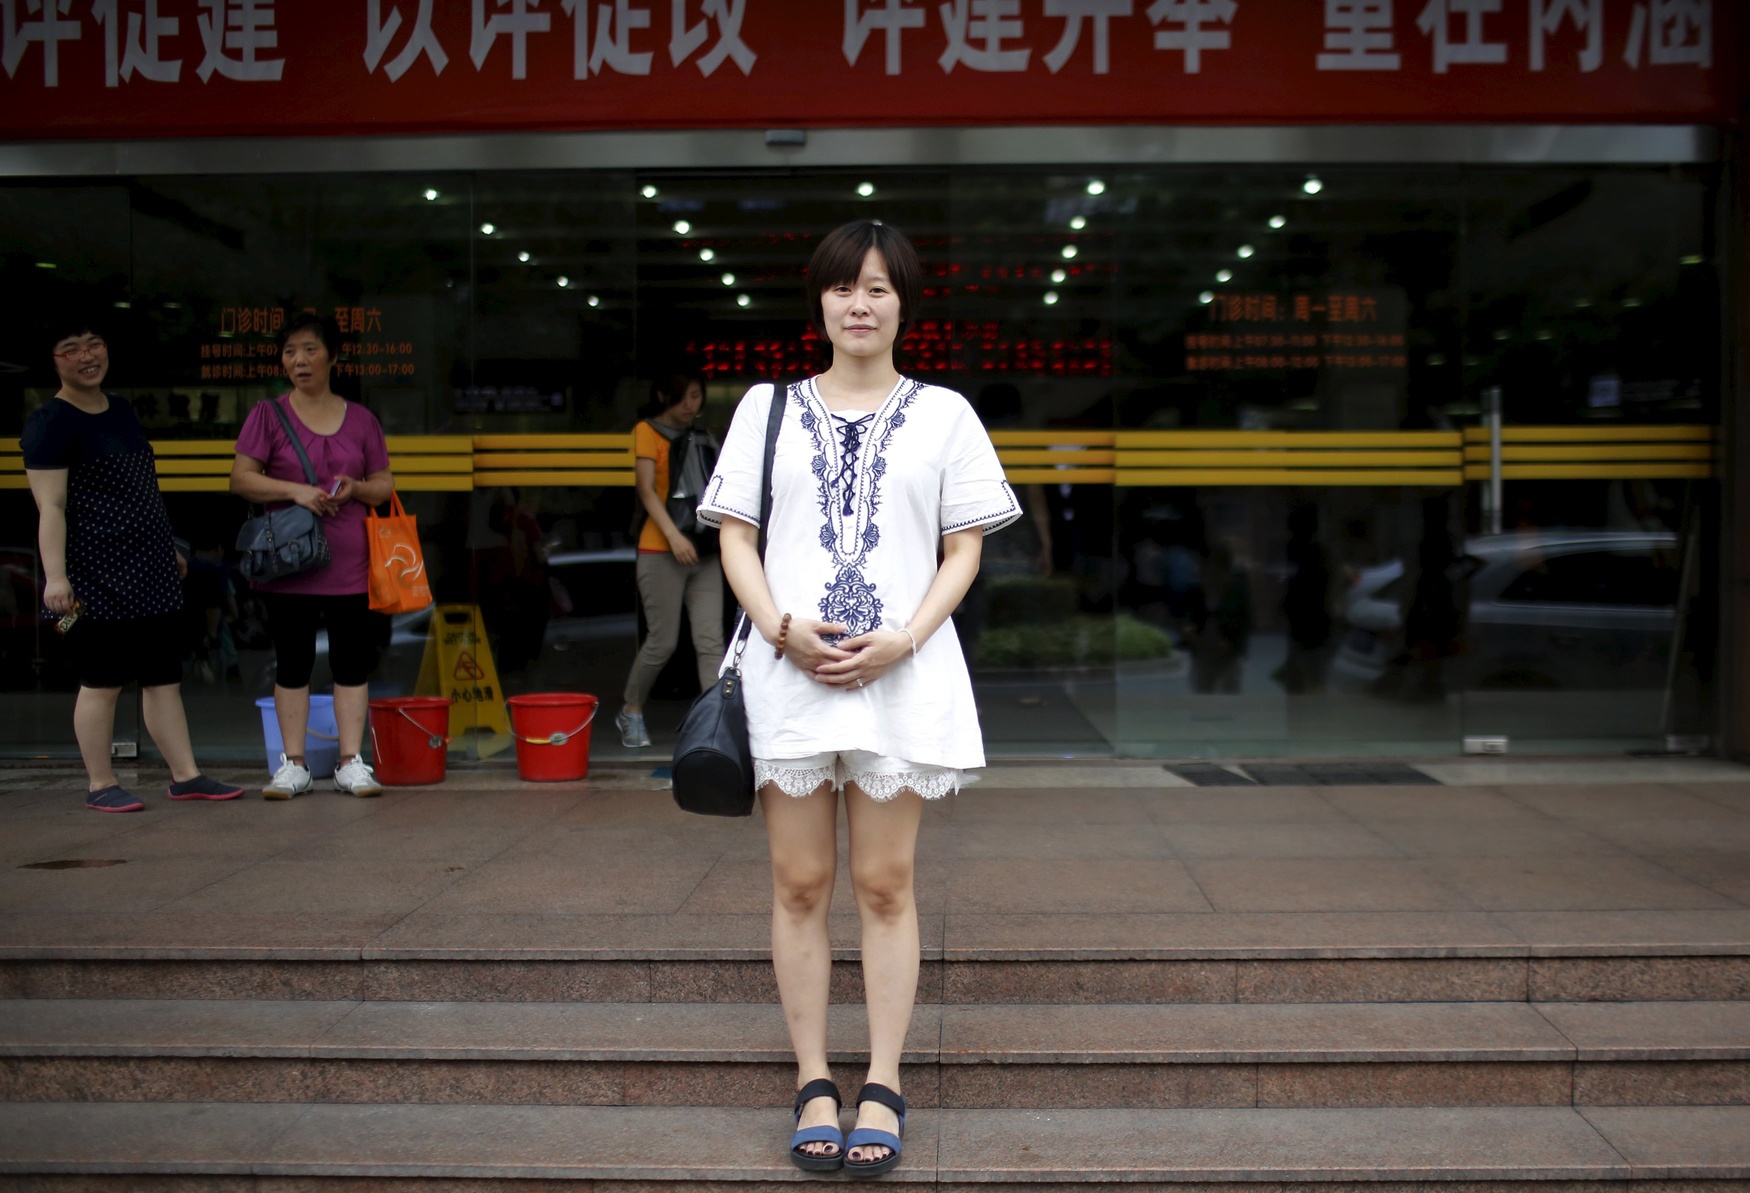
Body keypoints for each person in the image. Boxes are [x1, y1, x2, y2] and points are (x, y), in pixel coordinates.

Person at [697, 220, 1019, 1175]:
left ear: (903, 305)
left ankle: (880, 1078)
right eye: (844, 288)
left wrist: (906, 640)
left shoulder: (947, 414)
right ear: (821, 303)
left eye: (879, 288)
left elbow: (965, 549)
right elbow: (735, 540)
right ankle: (811, 1077)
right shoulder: (765, 406)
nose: (860, 304)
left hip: (901, 673)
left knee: (885, 883)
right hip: (788, 671)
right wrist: (785, 629)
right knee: (798, 883)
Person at [22, 317, 243, 812]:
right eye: (71, 347)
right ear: (54, 361)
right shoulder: (50, 423)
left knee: (163, 677)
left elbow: (143, 492)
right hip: (94, 576)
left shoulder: (120, 410)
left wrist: (167, 548)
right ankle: (101, 783)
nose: (87, 354)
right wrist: (56, 577)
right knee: (101, 681)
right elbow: (50, 507)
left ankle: (186, 776)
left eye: (94, 343)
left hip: (151, 570)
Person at [229, 312, 394, 799]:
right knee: (292, 663)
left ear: (334, 357)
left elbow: (384, 486)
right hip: (289, 563)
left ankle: (350, 762)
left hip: (350, 563)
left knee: (351, 663)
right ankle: (293, 764)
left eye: (309, 350)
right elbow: (241, 478)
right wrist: (297, 491)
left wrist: (357, 487)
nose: (298, 361)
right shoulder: (267, 414)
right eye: (289, 352)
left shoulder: (362, 419)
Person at [614, 371, 724, 748]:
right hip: (660, 549)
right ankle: (631, 710)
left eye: (695, 396)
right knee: (662, 641)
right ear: (662, 395)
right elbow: (646, 491)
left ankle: (714, 725)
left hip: (704, 551)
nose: (689, 405)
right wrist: (674, 537)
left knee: (711, 641)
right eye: (682, 397)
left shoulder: (704, 434)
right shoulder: (646, 431)